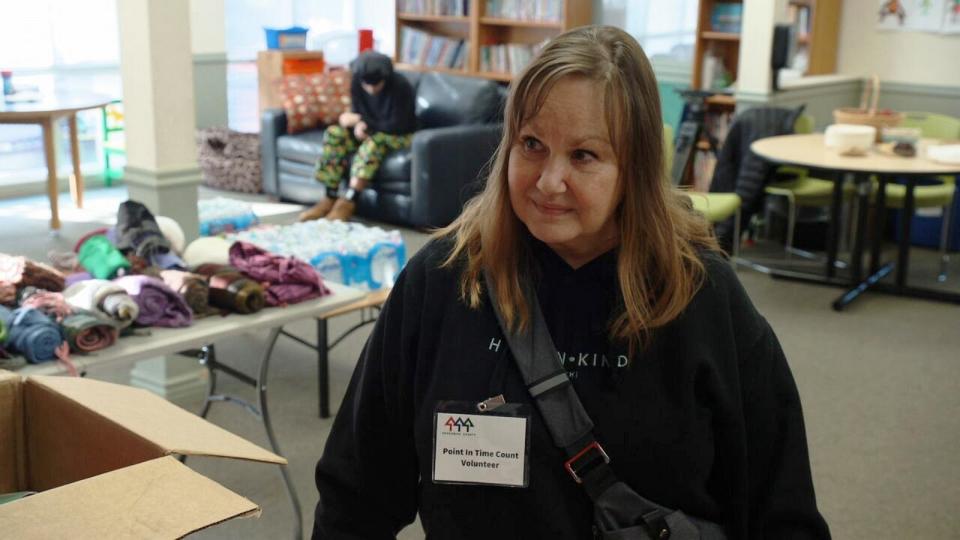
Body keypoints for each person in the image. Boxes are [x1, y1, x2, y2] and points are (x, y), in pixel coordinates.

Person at [312, 26, 831, 539]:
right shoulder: (444, 279)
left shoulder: (700, 294)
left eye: (584, 155)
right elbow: (356, 493)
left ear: (635, 168)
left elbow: (781, 514)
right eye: (531, 144)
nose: (548, 181)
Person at [299, 51, 417, 222]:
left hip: (399, 134)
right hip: (370, 129)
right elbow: (358, 111)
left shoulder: (401, 86)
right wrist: (356, 123)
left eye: (376, 85)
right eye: (366, 85)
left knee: (373, 143)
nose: (371, 89)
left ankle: (349, 201)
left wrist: (364, 123)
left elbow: (397, 124)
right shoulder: (357, 81)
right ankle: (329, 196)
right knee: (335, 133)